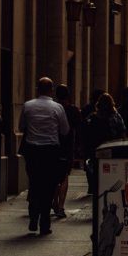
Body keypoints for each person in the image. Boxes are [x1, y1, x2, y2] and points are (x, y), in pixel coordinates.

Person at [18, 77, 70, 236]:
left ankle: (33, 218)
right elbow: (65, 130)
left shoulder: (28, 106)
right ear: (51, 89)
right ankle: (45, 224)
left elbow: (21, 127)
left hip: (32, 151)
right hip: (50, 152)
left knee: (34, 184)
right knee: (48, 187)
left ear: (37, 89)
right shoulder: (58, 108)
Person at [83, 93, 126, 194]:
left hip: (95, 149)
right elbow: (122, 131)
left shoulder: (92, 117)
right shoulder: (116, 117)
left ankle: (94, 187)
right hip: (112, 149)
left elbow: (86, 134)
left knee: (95, 169)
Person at [52, 84, 81, 219]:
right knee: (64, 177)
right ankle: (61, 206)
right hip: (67, 146)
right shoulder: (74, 110)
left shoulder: (54, 109)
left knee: (53, 176)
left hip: (53, 145)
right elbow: (78, 129)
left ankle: (55, 202)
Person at [81, 88, 106, 194]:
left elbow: (82, 126)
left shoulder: (87, 109)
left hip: (90, 143)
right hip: (102, 142)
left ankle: (91, 185)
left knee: (89, 163)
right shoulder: (107, 111)